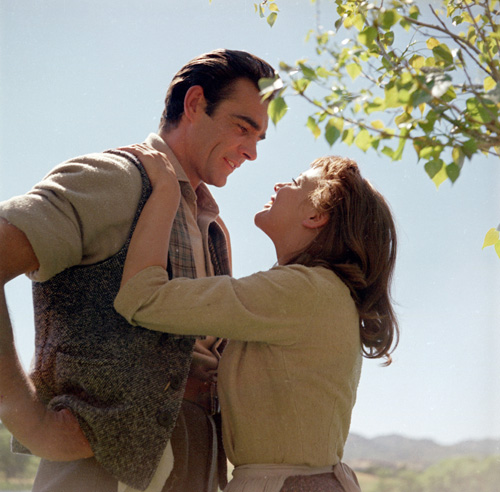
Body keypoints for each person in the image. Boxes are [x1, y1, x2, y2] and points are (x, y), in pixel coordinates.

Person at [0, 49, 276, 492]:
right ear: (193, 104)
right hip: (100, 467)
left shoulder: (213, 227)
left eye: (260, 138)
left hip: (196, 457)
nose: (251, 152)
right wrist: (26, 417)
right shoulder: (117, 178)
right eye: (243, 128)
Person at [112, 147, 400, 492]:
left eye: (296, 183)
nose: (280, 185)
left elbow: (142, 299)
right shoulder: (324, 293)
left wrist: (165, 192)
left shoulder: (300, 290)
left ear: (316, 215)